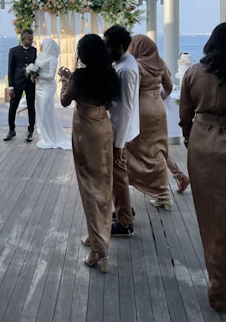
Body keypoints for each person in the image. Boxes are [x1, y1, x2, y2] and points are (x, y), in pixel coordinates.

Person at [179, 22, 226, 312]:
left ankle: (221, 291)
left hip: (203, 146)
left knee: (213, 222)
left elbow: (185, 116)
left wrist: (192, 139)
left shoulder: (193, 72)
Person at [59, 34, 120, 272]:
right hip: (103, 126)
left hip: (85, 130)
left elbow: (65, 101)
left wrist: (64, 80)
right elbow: (111, 102)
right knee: (104, 183)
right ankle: (97, 235)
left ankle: (99, 251)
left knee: (89, 187)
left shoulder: (80, 76)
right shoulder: (110, 74)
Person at [127, 34, 173, 210]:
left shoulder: (136, 66)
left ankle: (138, 184)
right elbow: (169, 87)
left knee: (137, 149)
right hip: (158, 108)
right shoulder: (160, 63)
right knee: (158, 149)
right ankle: (163, 194)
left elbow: (131, 92)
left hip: (142, 110)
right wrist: (160, 97)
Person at [103, 25, 140, 237]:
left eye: (108, 46)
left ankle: (125, 222)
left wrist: (119, 144)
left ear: (119, 46)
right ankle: (123, 210)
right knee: (118, 175)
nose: (106, 50)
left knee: (118, 176)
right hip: (120, 129)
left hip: (119, 131)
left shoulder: (125, 69)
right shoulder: (125, 62)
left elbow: (126, 108)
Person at [34, 38, 71, 150]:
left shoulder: (52, 59)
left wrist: (38, 75)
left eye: (43, 44)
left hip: (48, 88)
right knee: (40, 111)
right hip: (38, 87)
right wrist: (32, 74)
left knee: (45, 111)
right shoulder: (40, 56)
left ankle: (50, 138)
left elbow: (51, 76)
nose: (40, 45)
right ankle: (44, 135)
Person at [4, 28, 37, 142]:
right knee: (13, 106)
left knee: (31, 107)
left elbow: (35, 65)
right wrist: (11, 86)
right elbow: (10, 69)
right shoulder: (13, 51)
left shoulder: (34, 50)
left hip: (30, 84)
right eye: (29, 39)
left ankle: (30, 130)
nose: (31, 41)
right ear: (23, 39)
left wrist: (34, 73)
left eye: (32, 39)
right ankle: (11, 130)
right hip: (17, 83)